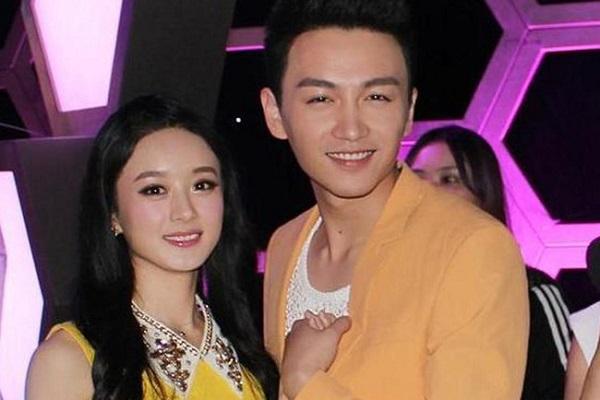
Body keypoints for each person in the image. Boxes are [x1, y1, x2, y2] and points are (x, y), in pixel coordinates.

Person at [259, 0, 529, 398]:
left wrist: (305, 381)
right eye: (321, 99)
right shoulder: (285, 244)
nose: (351, 129)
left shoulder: (470, 247)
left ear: (408, 110)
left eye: (377, 98)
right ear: (275, 113)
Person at [25, 95, 278, 399]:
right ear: (113, 213)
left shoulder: (247, 345)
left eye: (202, 185)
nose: (184, 211)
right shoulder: (68, 361)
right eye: (155, 190)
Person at [406, 125, 572, 400]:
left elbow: (567, 390)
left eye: (449, 179)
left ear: (483, 196)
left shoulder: (530, 292)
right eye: (416, 179)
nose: (428, 191)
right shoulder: (388, 287)